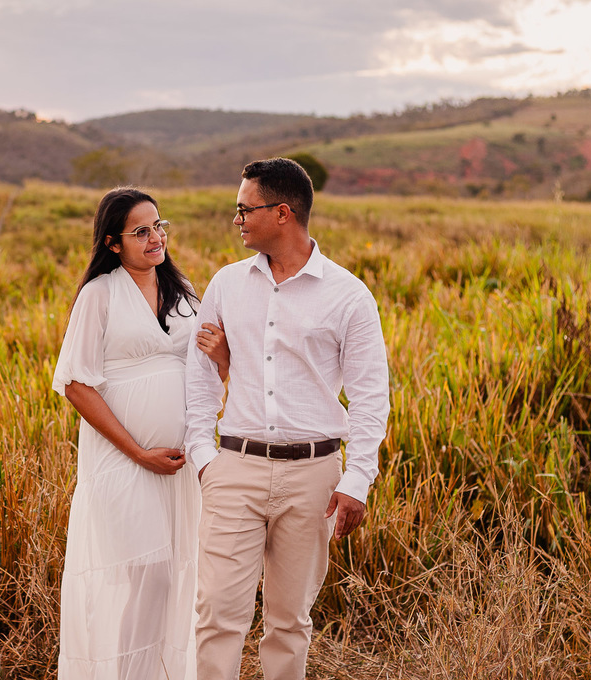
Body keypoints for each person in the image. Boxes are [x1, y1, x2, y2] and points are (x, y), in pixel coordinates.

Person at [184, 158, 390, 679]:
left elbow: (371, 396)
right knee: (216, 615)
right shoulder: (227, 285)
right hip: (235, 468)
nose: (236, 220)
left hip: (313, 478)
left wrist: (358, 479)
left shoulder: (349, 295)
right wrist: (204, 456)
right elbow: (200, 377)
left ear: (282, 213)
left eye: (243, 209)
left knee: (289, 621)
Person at [53, 187, 229, 680]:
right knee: (144, 575)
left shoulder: (183, 293)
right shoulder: (99, 295)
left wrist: (221, 359)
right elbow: (75, 384)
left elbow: (206, 375)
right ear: (113, 244)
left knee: (177, 579)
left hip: (178, 464)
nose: (156, 238)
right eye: (141, 231)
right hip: (123, 462)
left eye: (159, 226)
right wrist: (139, 453)